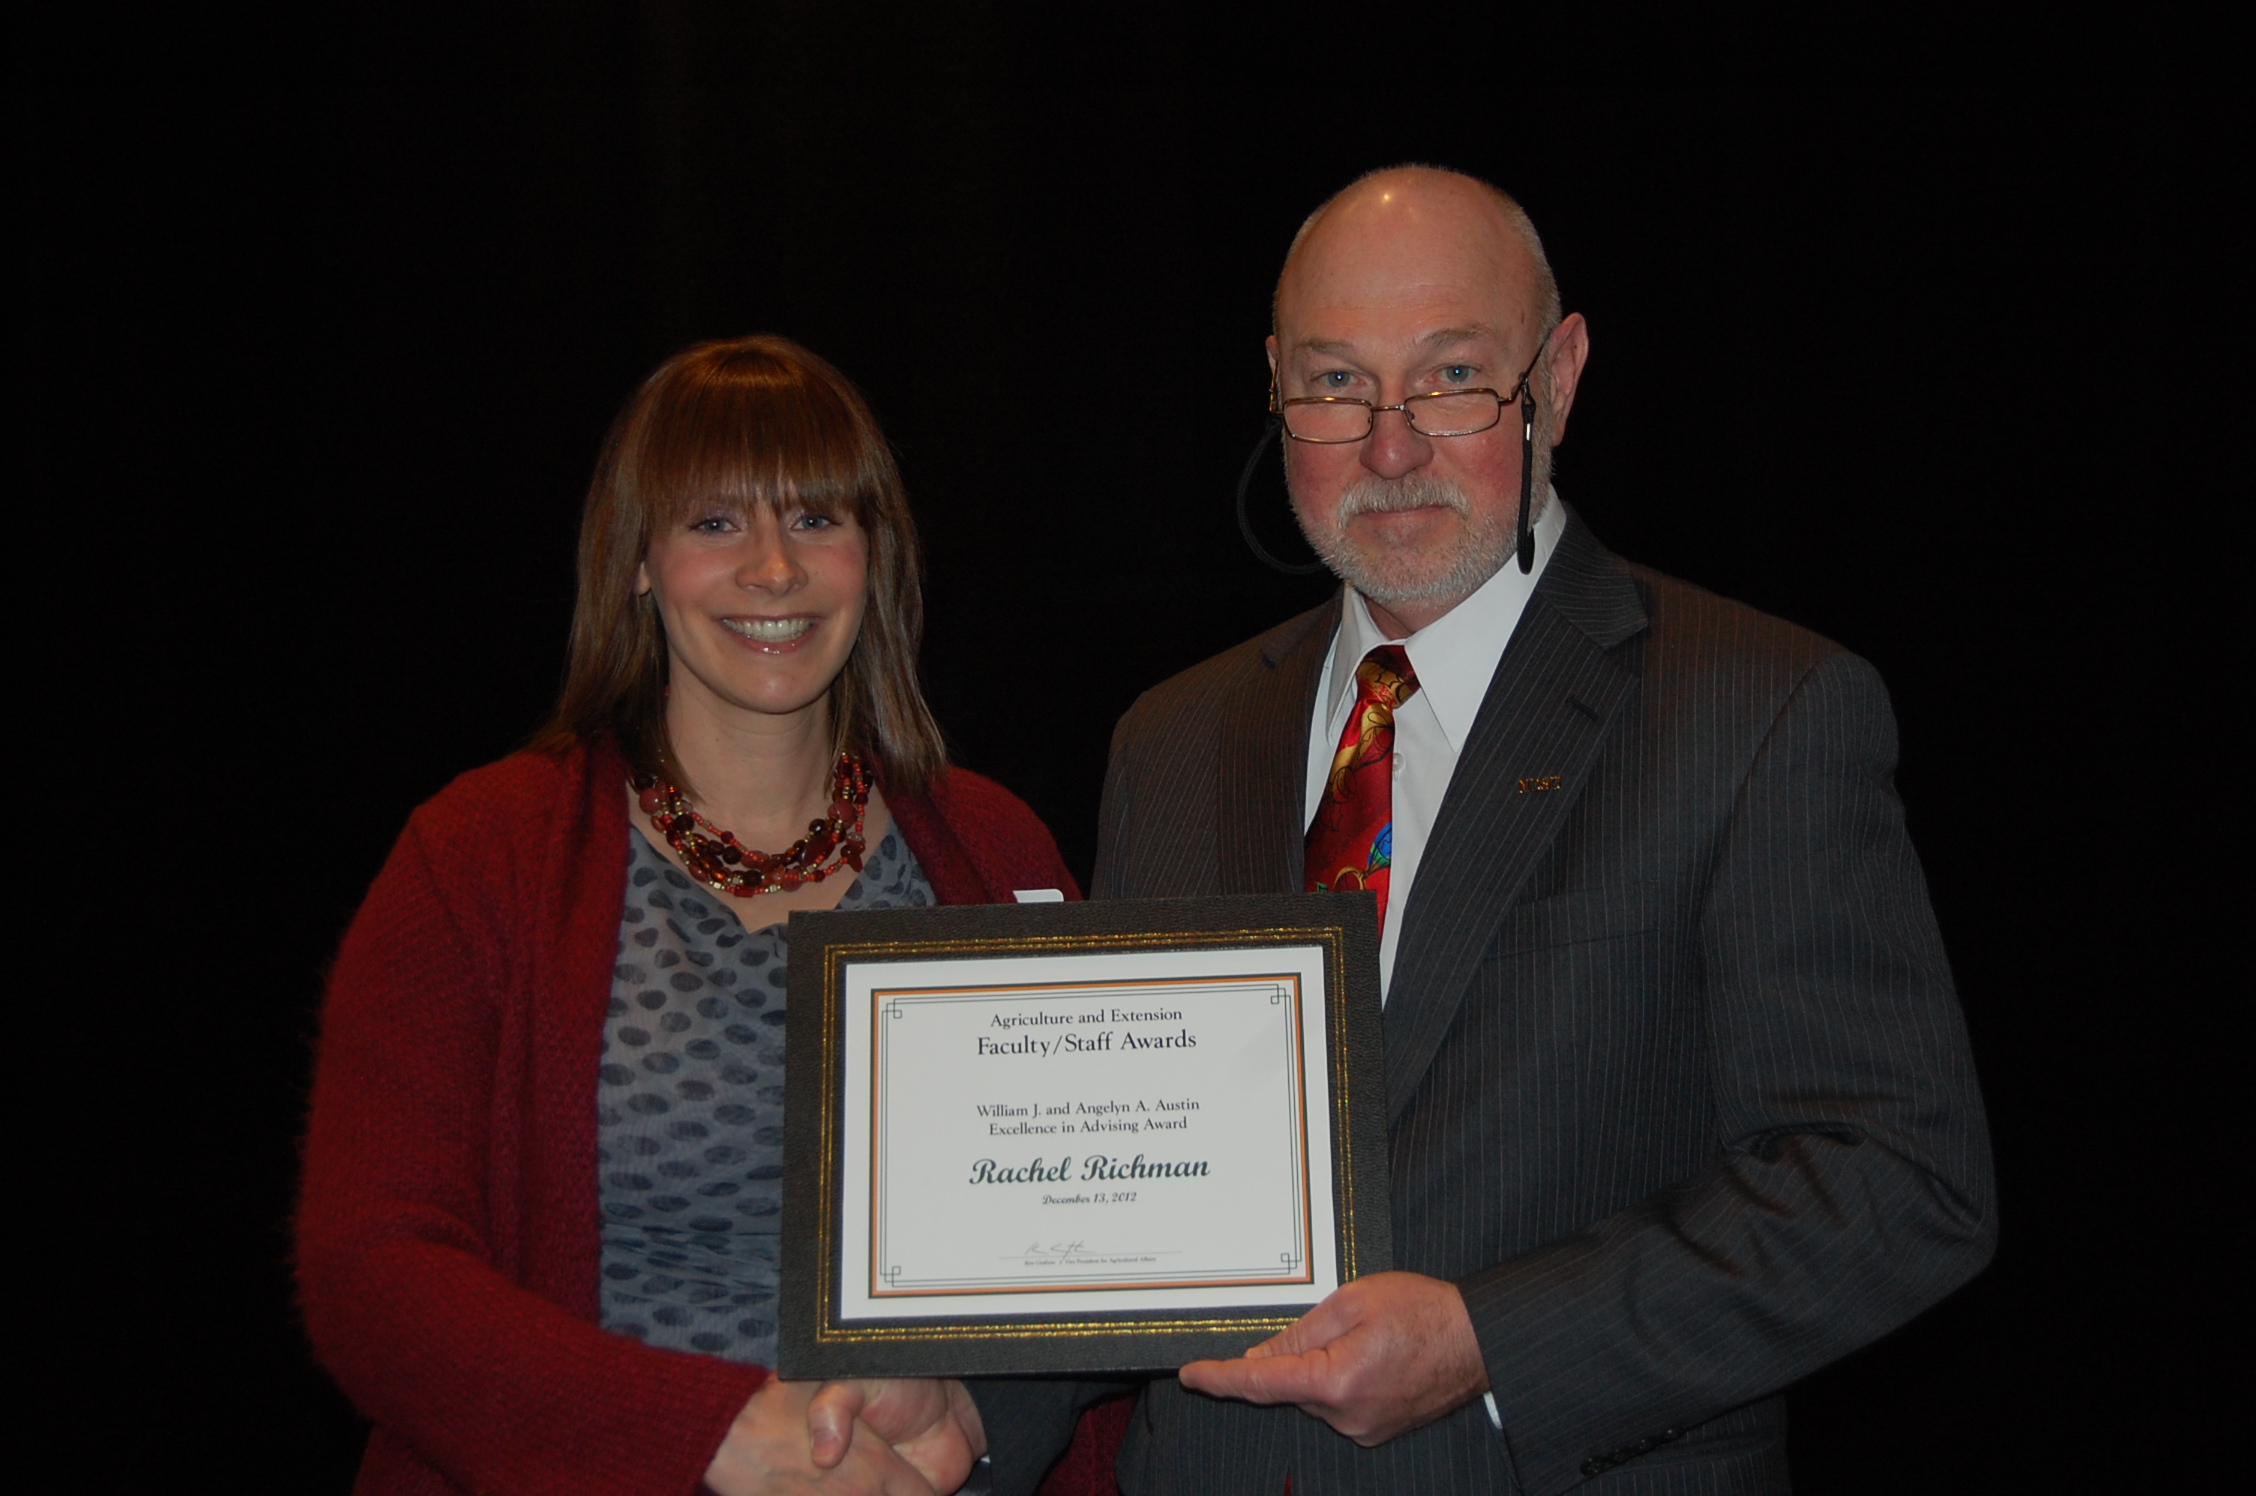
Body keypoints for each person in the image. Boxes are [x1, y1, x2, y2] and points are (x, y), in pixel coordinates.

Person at [978, 167, 1997, 1494]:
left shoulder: (1760, 711)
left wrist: (1489, 1343)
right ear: (1276, 386)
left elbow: (1901, 1184)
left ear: (1558, 380)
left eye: (1453, 376)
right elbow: (1123, 1203)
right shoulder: (1171, 741)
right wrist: (952, 1418)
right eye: (1338, 385)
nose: (1390, 448)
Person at [298, 335, 1060, 1494]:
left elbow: (1096, 1243)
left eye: (816, 519)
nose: (773, 569)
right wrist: (709, 1433)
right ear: (640, 561)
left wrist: (977, 1411)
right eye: (714, 523)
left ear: (874, 556)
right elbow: (372, 1269)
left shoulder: (994, 848)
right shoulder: (480, 855)